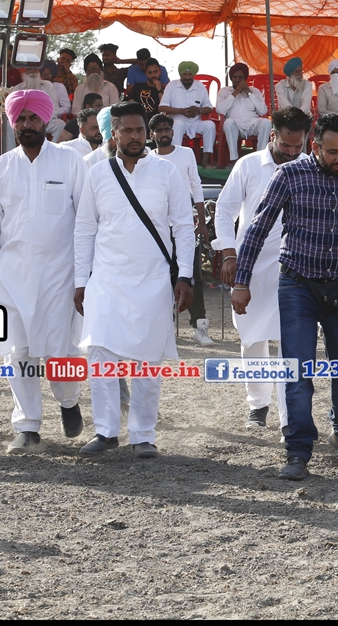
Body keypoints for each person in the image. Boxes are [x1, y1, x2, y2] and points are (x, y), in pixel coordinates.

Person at [232, 114, 338, 481]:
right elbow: (257, 229)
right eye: (332, 152)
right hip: (297, 285)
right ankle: (297, 450)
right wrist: (241, 281)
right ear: (316, 147)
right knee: (297, 370)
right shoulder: (289, 175)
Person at [74, 102, 195, 459]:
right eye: (126, 130)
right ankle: (105, 431)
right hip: (106, 280)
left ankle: (143, 434)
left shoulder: (166, 172)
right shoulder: (97, 174)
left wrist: (185, 276)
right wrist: (81, 281)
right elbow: (84, 230)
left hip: (153, 280)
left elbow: (183, 227)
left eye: (139, 130)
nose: (134, 136)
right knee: (100, 354)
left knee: (148, 359)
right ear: (113, 134)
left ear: (147, 133)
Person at [0, 89, 87, 455]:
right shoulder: (1, 167)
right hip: (12, 277)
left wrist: (85, 277)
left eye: (33, 118)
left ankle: (68, 401)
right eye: (20, 118)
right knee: (16, 353)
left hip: (60, 277)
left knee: (61, 354)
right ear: (12, 123)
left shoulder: (70, 161)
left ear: (45, 121)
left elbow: (86, 220)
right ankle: (27, 426)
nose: (26, 124)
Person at [214, 107, 311, 430]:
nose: (292, 152)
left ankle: (289, 418)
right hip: (250, 268)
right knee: (252, 338)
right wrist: (230, 255)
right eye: (286, 145)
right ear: (272, 136)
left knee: (290, 343)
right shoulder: (248, 165)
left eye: (298, 146)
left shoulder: (309, 167)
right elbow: (224, 211)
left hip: (294, 269)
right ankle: (258, 405)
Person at [149, 113, 213, 345]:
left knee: (193, 275)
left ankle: (200, 327)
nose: (164, 133)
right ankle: (164, 327)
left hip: (185, 226)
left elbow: (196, 186)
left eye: (167, 129)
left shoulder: (186, 153)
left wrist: (202, 222)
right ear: (152, 134)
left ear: (172, 131)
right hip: (157, 228)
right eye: (159, 130)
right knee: (160, 276)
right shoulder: (147, 158)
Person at [158, 60, 216, 165]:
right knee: (178, 124)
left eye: (190, 75)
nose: (187, 77)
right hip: (177, 121)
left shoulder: (200, 86)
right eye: (185, 74)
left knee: (210, 125)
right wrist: (181, 111)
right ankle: (175, 160)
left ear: (193, 75)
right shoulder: (172, 85)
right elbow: (162, 107)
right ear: (180, 74)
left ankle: (205, 159)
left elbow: (209, 107)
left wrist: (198, 110)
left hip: (196, 122)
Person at [216, 63, 271, 168]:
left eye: (240, 77)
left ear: (245, 78)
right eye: (235, 77)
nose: (237, 80)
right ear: (231, 78)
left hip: (252, 123)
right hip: (235, 124)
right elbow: (220, 110)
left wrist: (249, 93)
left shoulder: (254, 91)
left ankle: (260, 160)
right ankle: (234, 161)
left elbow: (263, 111)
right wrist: (236, 92)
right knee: (228, 123)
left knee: (266, 123)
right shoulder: (224, 91)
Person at [5, 67, 66, 141]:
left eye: (35, 69)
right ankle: (11, 148)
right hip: (23, 121)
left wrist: (44, 121)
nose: (33, 71)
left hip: (46, 121)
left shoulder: (48, 85)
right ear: (24, 72)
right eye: (30, 69)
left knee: (60, 124)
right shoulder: (17, 88)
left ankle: (52, 148)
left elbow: (54, 108)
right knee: (8, 124)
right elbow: (13, 110)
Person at [39, 61, 73, 126]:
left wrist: (52, 112)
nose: (46, 77)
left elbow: (67, 107)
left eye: (49, 74)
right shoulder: (35, 87)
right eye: (43, 74)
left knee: (61, 125)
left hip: (54, 120)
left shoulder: (60, 87)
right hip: (37, 118)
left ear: (53, 74)